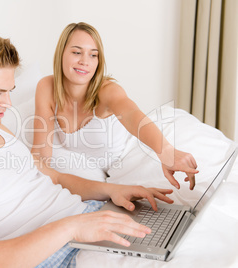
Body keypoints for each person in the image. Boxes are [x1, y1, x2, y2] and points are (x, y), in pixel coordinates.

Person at [0, 29, 174, 267]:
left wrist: (112, 191)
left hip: (87, 218)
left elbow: (50, 177)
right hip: (61, 250)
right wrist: (73, 228)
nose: (8, 104)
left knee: (177, 235)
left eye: (9, 91)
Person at [31, 22, 198, 191]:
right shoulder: (46, 87)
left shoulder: (107, 91)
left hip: (143, 151)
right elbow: (40, 157)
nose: (84, 61)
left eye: (93, 55)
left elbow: (132, 115)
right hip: (113, 174)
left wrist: (166, 150)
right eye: (76, 52)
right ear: (61, 53)